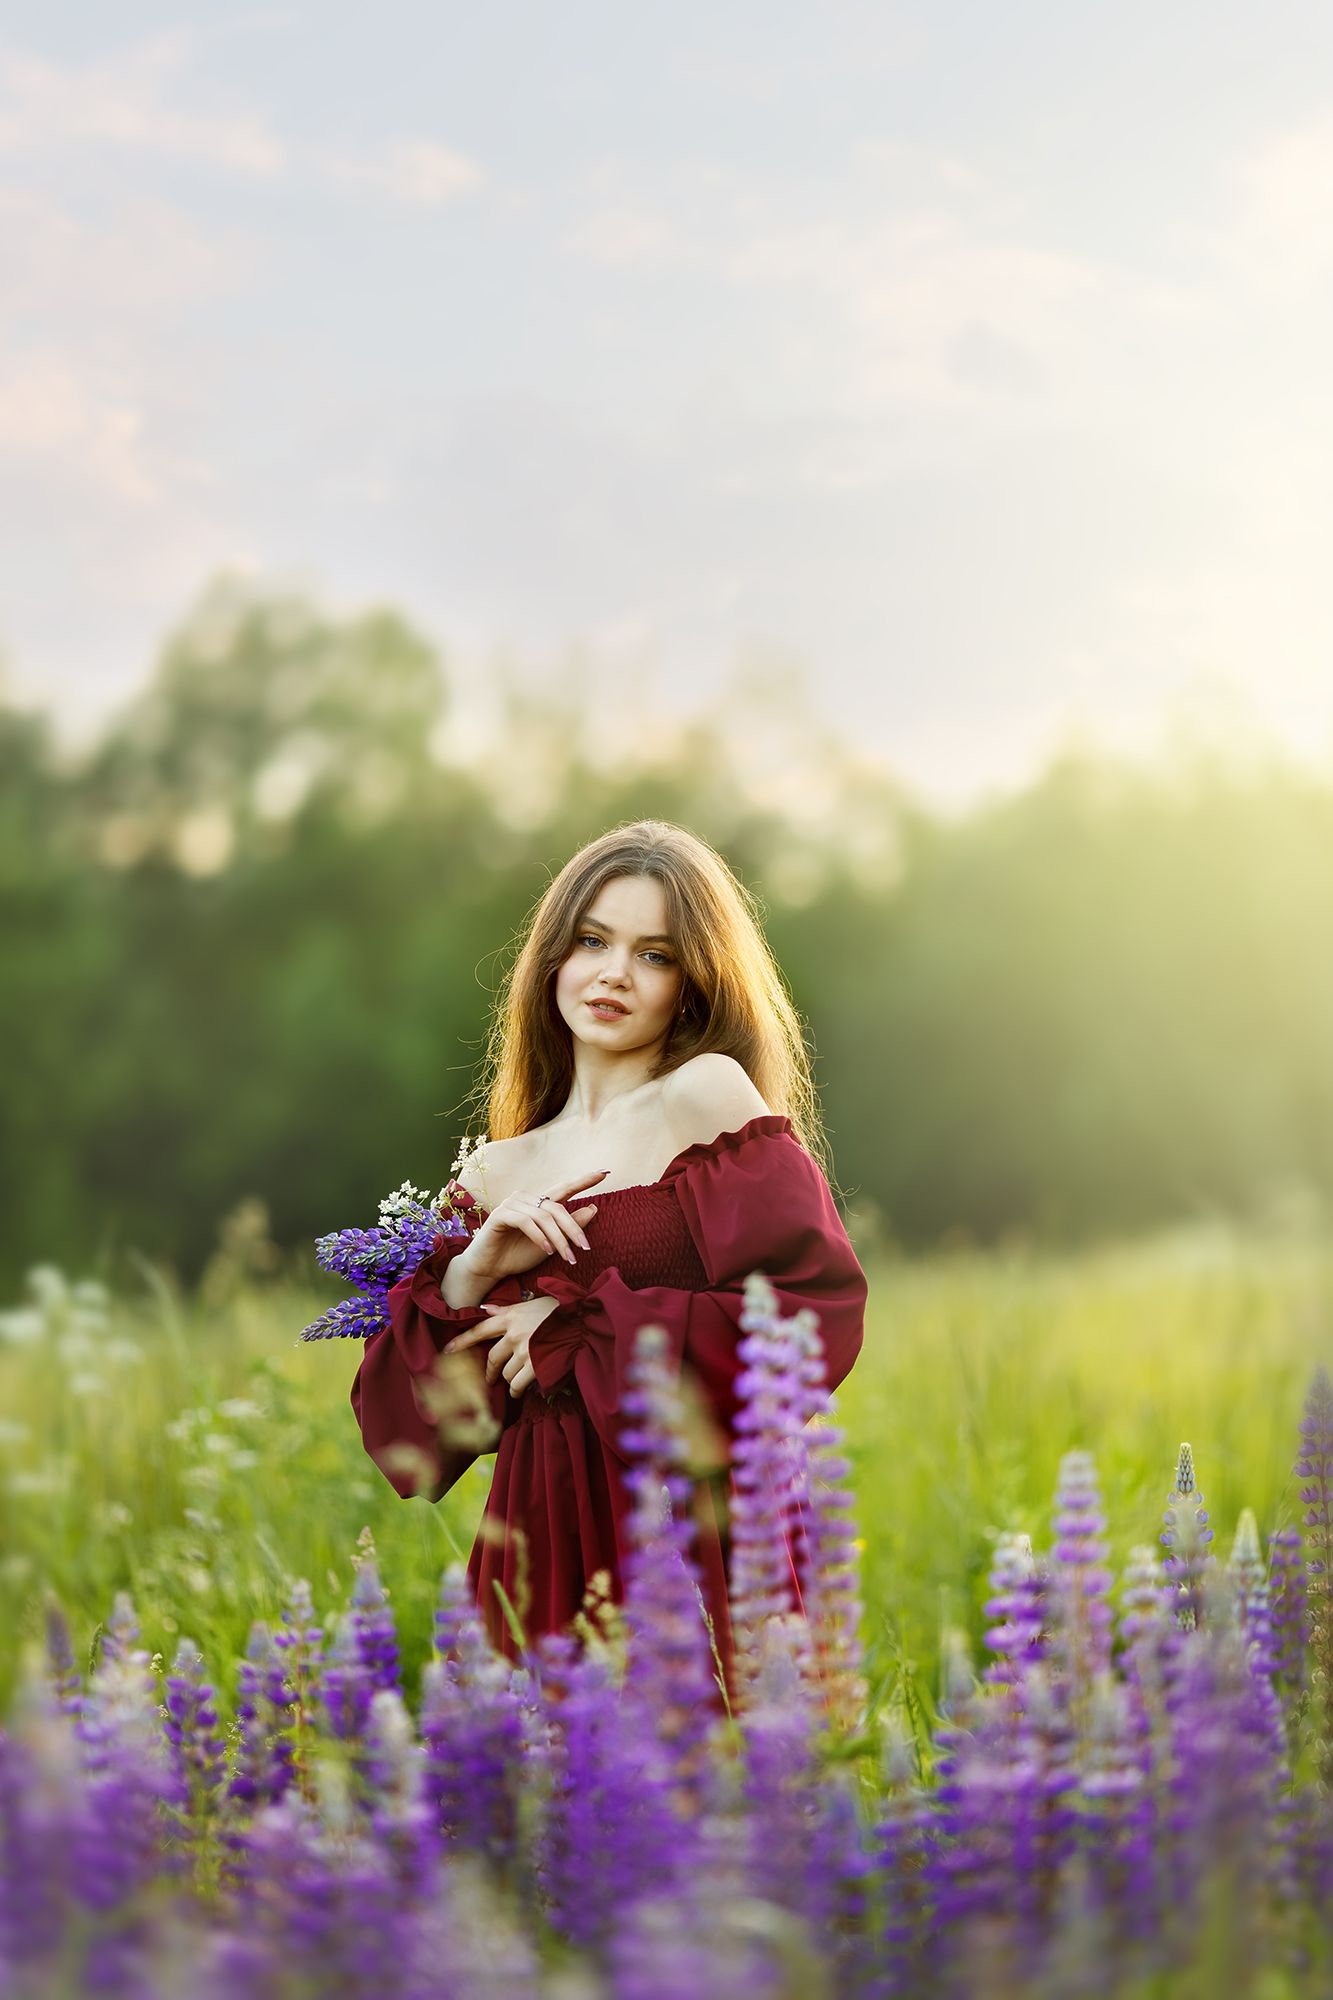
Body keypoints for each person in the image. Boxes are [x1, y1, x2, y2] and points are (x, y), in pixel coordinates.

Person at [350, 819, 867, 1694]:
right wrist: (473, 1268)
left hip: (693, 1529)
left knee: (711, 1807)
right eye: (592, 940)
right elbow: (412, 1438)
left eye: (654, 954)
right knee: (543, 1808)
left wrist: (580, 1328)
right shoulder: (493, 1169)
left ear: (692, 984)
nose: (613, 973)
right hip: (540, 1538)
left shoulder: (700, 1098)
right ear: (554, 956)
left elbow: (813, 1313)